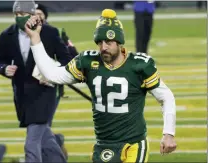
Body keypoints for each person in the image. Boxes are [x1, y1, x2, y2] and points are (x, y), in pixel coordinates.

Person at [25, 9, 177, 163]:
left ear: (119, 42)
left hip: (133, 144)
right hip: (103, 144)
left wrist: (168, 133)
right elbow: (52, 74)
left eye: (108, 42)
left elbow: (166, 97)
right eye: (100, 42)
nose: (103, 47)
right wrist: (35, 38)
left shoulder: (139, 65)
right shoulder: (88, 62)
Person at [0, 0, 72, 162]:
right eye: (17, 14)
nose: (19, 17)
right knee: (45, 138)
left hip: (44, 93)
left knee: (32, 141)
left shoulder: (50, 33)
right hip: (22, 94)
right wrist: (4, 69)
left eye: (23, 14)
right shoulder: (7, 35)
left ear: (33, 14)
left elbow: (66, 59)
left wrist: (52, 72)